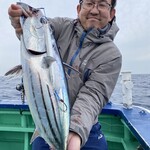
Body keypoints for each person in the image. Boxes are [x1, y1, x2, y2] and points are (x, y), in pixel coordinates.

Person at [8, 0, 122, 149]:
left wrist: (75, 131)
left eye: (102, 4)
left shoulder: (112, 55)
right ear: (79, 8)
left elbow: (93, 95)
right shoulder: (61, 26)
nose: (94, 10)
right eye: (89, 3)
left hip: (86, 125)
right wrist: (20, 22)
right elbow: (36, 33)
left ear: (112, 13)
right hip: (45, 124)